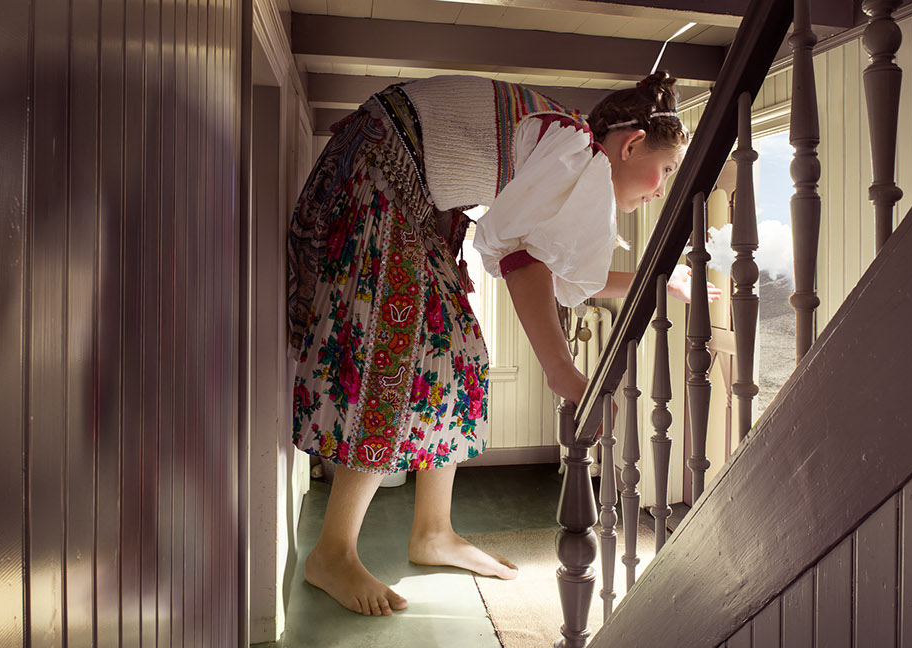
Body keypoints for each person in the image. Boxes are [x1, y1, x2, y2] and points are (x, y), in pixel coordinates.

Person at [285, 70, 719, 617]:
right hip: (385, 173)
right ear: (631, 146)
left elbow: (549, 262)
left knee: (458, 358)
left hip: (416, 192)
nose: (661, 188)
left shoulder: (567, 152)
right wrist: (560, 368)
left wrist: (660, 279)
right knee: (395, 351)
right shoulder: (573, 149)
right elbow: (522, 259)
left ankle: (432, 533)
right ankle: (332, 552)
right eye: (666, 171)